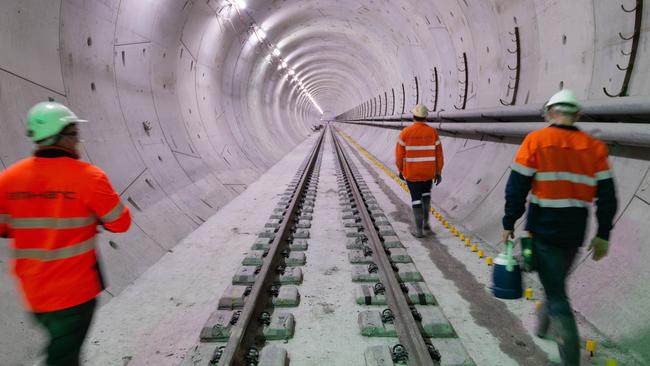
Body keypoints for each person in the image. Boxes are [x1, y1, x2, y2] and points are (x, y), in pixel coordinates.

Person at [0, 102, 131, 366]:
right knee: (63, 359)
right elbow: (121, 223)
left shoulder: (9, 179)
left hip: (34, 293)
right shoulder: (89, 178)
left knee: (62, 349)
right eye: (74, 133)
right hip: (75, 294)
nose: (78, 140)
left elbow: (4, 227)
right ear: (63, 136)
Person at [501, 90, 617, 366]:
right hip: (574, 233)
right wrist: (603, 234)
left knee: (556, 294)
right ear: (576, 114)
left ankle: (570, 360)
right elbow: (608, 197)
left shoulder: (536, 141)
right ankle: (541, 328)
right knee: (553, 281)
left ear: (550, 112)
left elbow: (517, 187)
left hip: (543, 231)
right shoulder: (594, 147)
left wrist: (508, 222)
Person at [395, 104, 444, 238]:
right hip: (428, 173)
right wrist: (438, 172)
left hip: (412, 173)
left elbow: (399, 156)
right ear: (425, 117)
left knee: (416, 199)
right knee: (426, 196)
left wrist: (400, 170)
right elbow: (439, 154)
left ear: (413, 116)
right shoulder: (432, 132)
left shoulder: (405, 132)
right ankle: (426, 224)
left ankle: (419, 231)